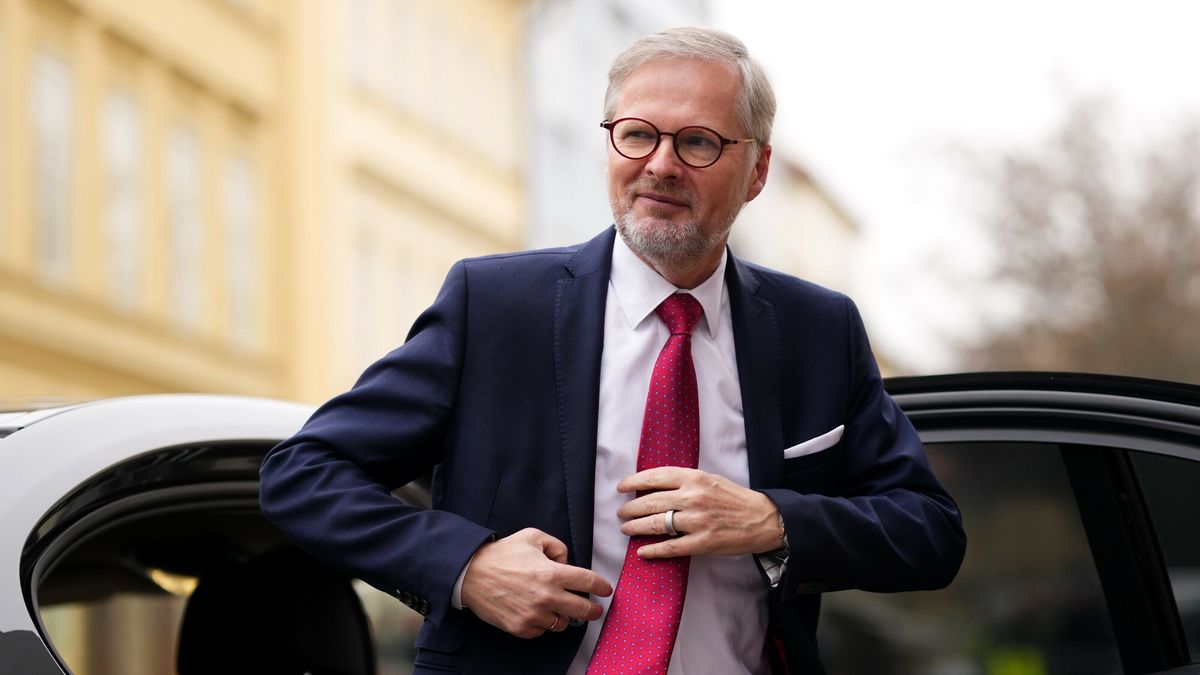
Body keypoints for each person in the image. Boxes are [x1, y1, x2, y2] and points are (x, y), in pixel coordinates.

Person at [260, 26, 965, 675]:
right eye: (635, 134)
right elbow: (303, 473)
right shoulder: (497, 306)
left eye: (697, 143)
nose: (659, 164)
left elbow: (930, 530)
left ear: (756, 171)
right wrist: (468, 566)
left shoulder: (819, 330)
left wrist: (774, 520)